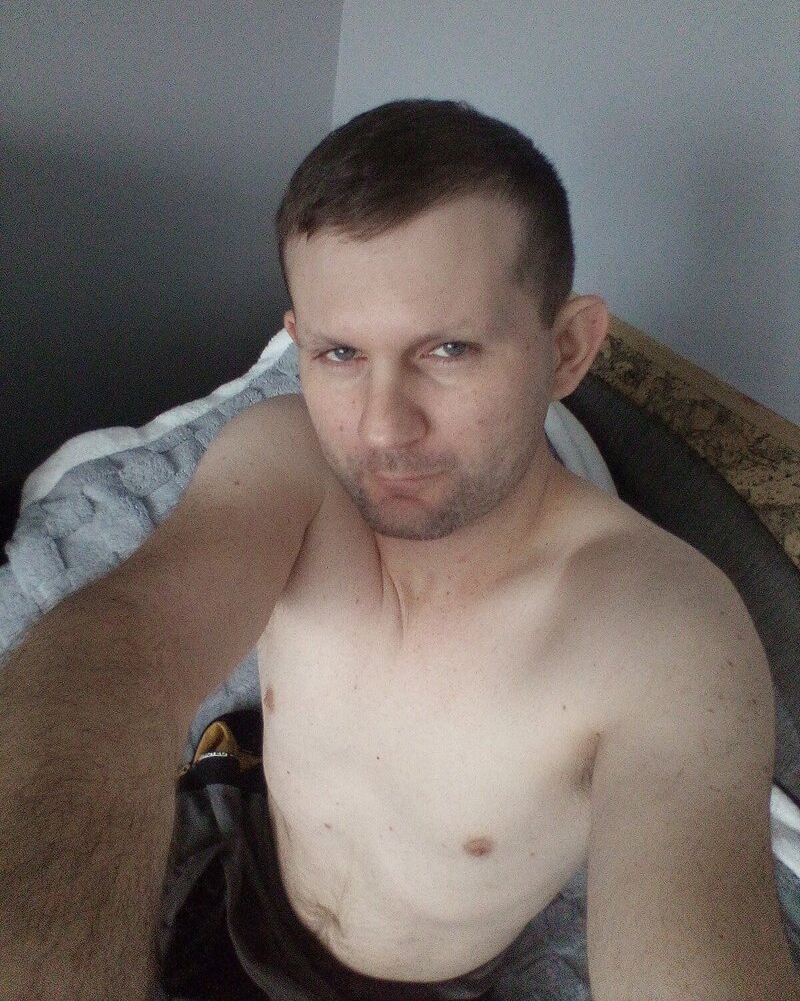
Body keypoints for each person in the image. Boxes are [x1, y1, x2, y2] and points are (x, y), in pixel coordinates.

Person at [1, 99, 797, 1001]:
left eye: (448, 349)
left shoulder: (661, 631)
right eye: (341, 353)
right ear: (297, 344)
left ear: (568, 349)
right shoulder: (288, 458)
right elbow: (120, 647)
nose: (382, 428)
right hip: (239, 889)